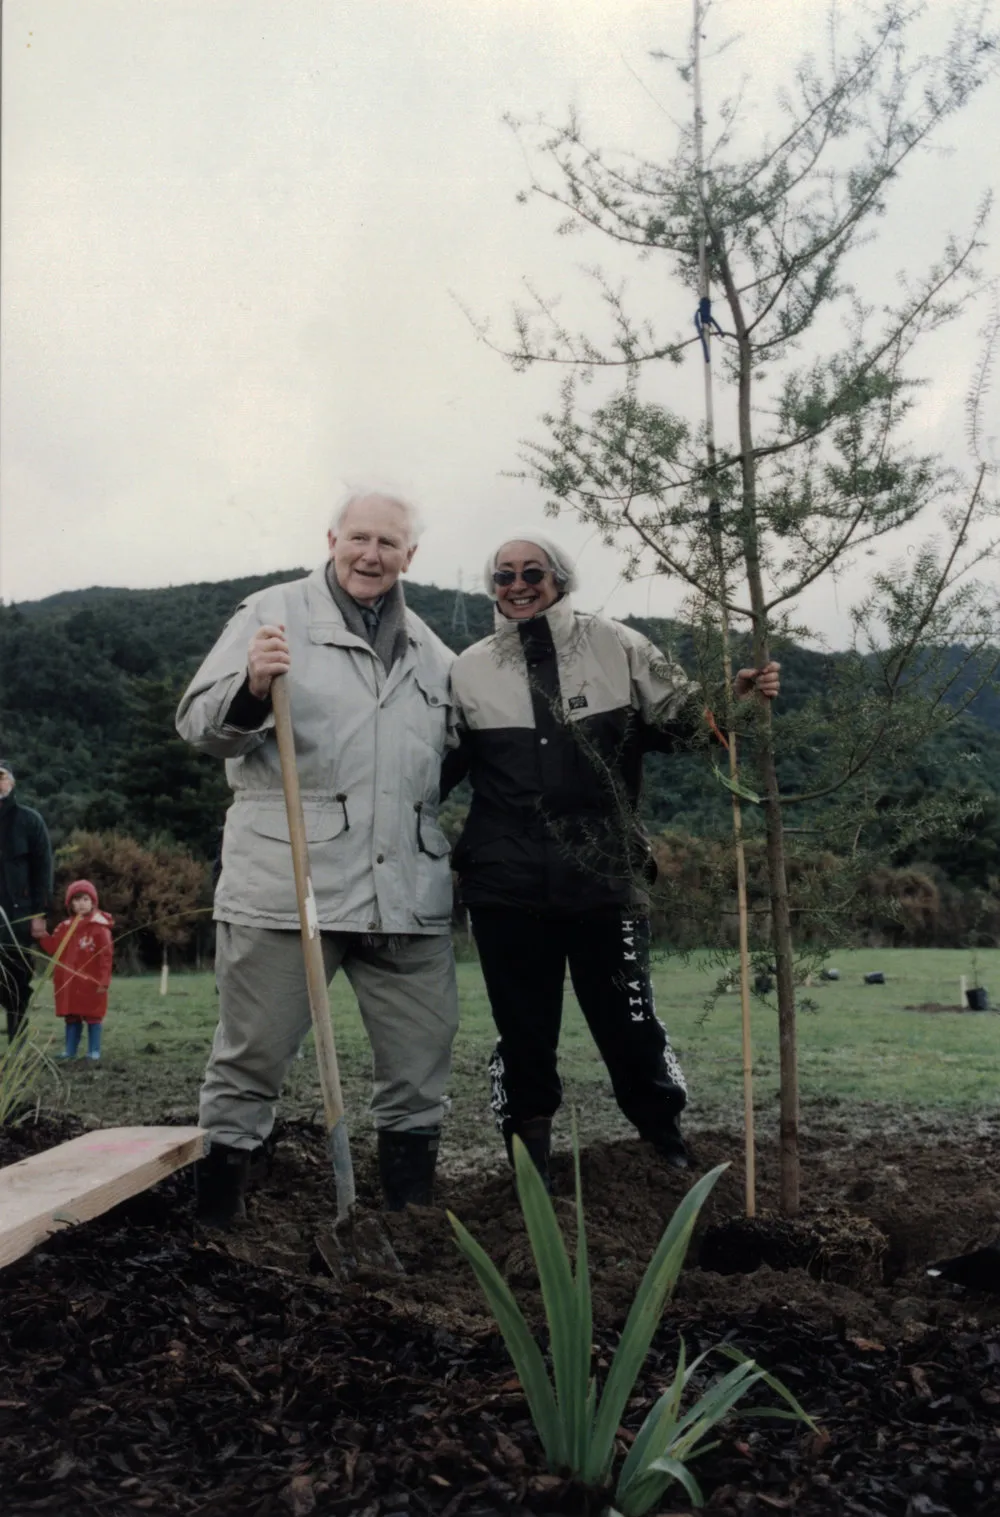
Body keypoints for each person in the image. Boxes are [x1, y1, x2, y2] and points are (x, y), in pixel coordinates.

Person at [443, 533, 780, 1187]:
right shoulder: (468, 669)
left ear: (559, 578)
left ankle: (665, 1141)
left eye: (531, 571)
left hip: (606, 874)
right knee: (522, 1029)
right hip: (504, 880)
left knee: (629, 1017)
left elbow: (685, 722)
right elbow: (438, 766)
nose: (517, 583)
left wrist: (735, 700)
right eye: (503, 573)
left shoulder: (618, 646)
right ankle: (528, 1158)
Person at [176, 489, 459, 1226]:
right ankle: (220, 1224)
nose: (371, 554)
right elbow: (199, 724)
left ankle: (409, 1224)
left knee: (421, 1065)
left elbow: (449, 764)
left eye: (387, 543)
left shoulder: (434, 653)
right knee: (252, 1058)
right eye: (358, 537)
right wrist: (253, 685)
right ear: (332, 537)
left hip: (407, 895)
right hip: (288, 884)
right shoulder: (273, 614)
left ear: (410, 555)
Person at [0, 761, 53, 1042]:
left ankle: (16, 1045)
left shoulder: (29, 821)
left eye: (1, 776)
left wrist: (40, 914)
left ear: (12, 782)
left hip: (18, 917)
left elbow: (43, 870)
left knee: (17, 982)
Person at [38, 880, 114, 1062]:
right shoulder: (64, 927)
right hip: (69, 983)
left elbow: (106, 956)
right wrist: (41, 935)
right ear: (70, 903)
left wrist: (104, 980)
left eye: (85, 899)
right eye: (77, 899)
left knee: (93, 1016)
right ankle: (70, 1050)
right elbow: (53, 947)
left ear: (93, 902)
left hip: (91, 983)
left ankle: (93, 1051)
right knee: (72, 1016)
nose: (81, 903)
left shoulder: (99, 928)